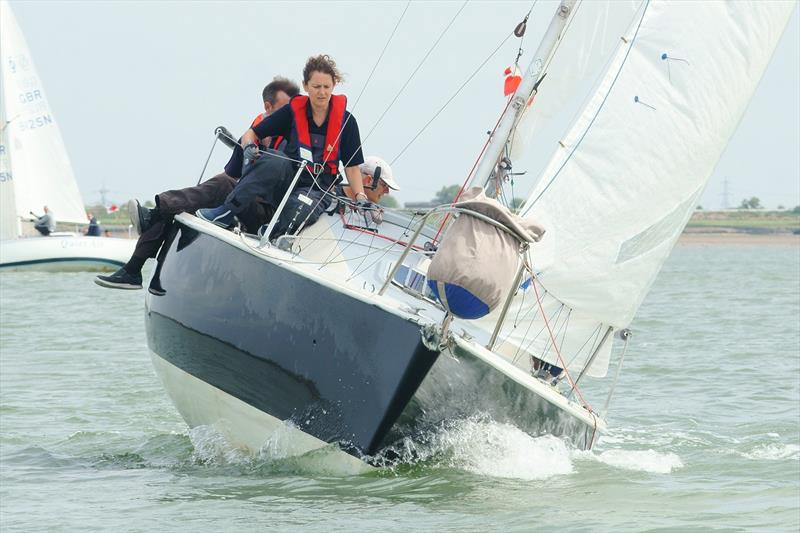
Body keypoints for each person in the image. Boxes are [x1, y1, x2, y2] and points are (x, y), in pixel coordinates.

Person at [95, 77, 300, 292]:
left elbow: (243, 180)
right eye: (287, 108)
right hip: (240, 201)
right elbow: (233, 171)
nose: (293, 114)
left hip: (269, 214)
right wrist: (249, 145)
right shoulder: (257, 131)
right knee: (183, 207)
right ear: (268, 107)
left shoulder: (295, 138)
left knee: (221, 185)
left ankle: (154, 214)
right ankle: (136, 271)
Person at [197, 54, 368, 233]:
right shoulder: (292, 112)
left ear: (334, 86)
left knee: (301, 204)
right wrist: (248, 146)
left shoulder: (347, 122)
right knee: (275, 160)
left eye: (327, 87)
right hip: (285, 181)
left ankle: (273, 231)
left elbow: (352, 167)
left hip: (317, 189)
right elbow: (252, 133)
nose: (322, 92)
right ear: (306, 86)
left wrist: (360, 196)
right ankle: (226, 212)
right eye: (316, 86)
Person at [270, 155, 399, 240]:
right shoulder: (325, 197)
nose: (387, 192)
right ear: (368, 180)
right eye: (384, 185)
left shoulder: (371, 210)